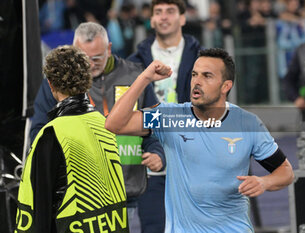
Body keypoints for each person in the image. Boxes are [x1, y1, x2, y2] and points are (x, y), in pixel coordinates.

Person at [105, 48, 295, 232]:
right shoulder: (170, 117)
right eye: (195, 74)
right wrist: (144, 78)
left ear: (226, 86)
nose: (197, 81)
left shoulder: (247, 124)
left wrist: (263, 182)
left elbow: (286, 172)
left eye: (207, 76)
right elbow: (115, 124)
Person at [30, 22, 165, 233]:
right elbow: (39, 132)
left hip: (128, 198)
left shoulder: (136, 78)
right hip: (77, 200)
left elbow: (156, 125)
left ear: (109, 49)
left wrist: (157, 152)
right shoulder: (57, 83)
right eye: (84, 58)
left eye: (97, 58)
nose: (90, 64)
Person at [15, 45, 129, 232]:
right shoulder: (103, 123)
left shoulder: (52, 134)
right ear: (87, 80)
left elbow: (37, 208)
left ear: (51, 84)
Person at [128, 1, 202, 231]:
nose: (163, 17)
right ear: (151, 19)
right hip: (150, 163)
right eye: (158, 12)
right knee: (154, 227)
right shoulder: (134, 64)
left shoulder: (203, 59)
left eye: (170, 11)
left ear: (182, 18)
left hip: (192, 162)